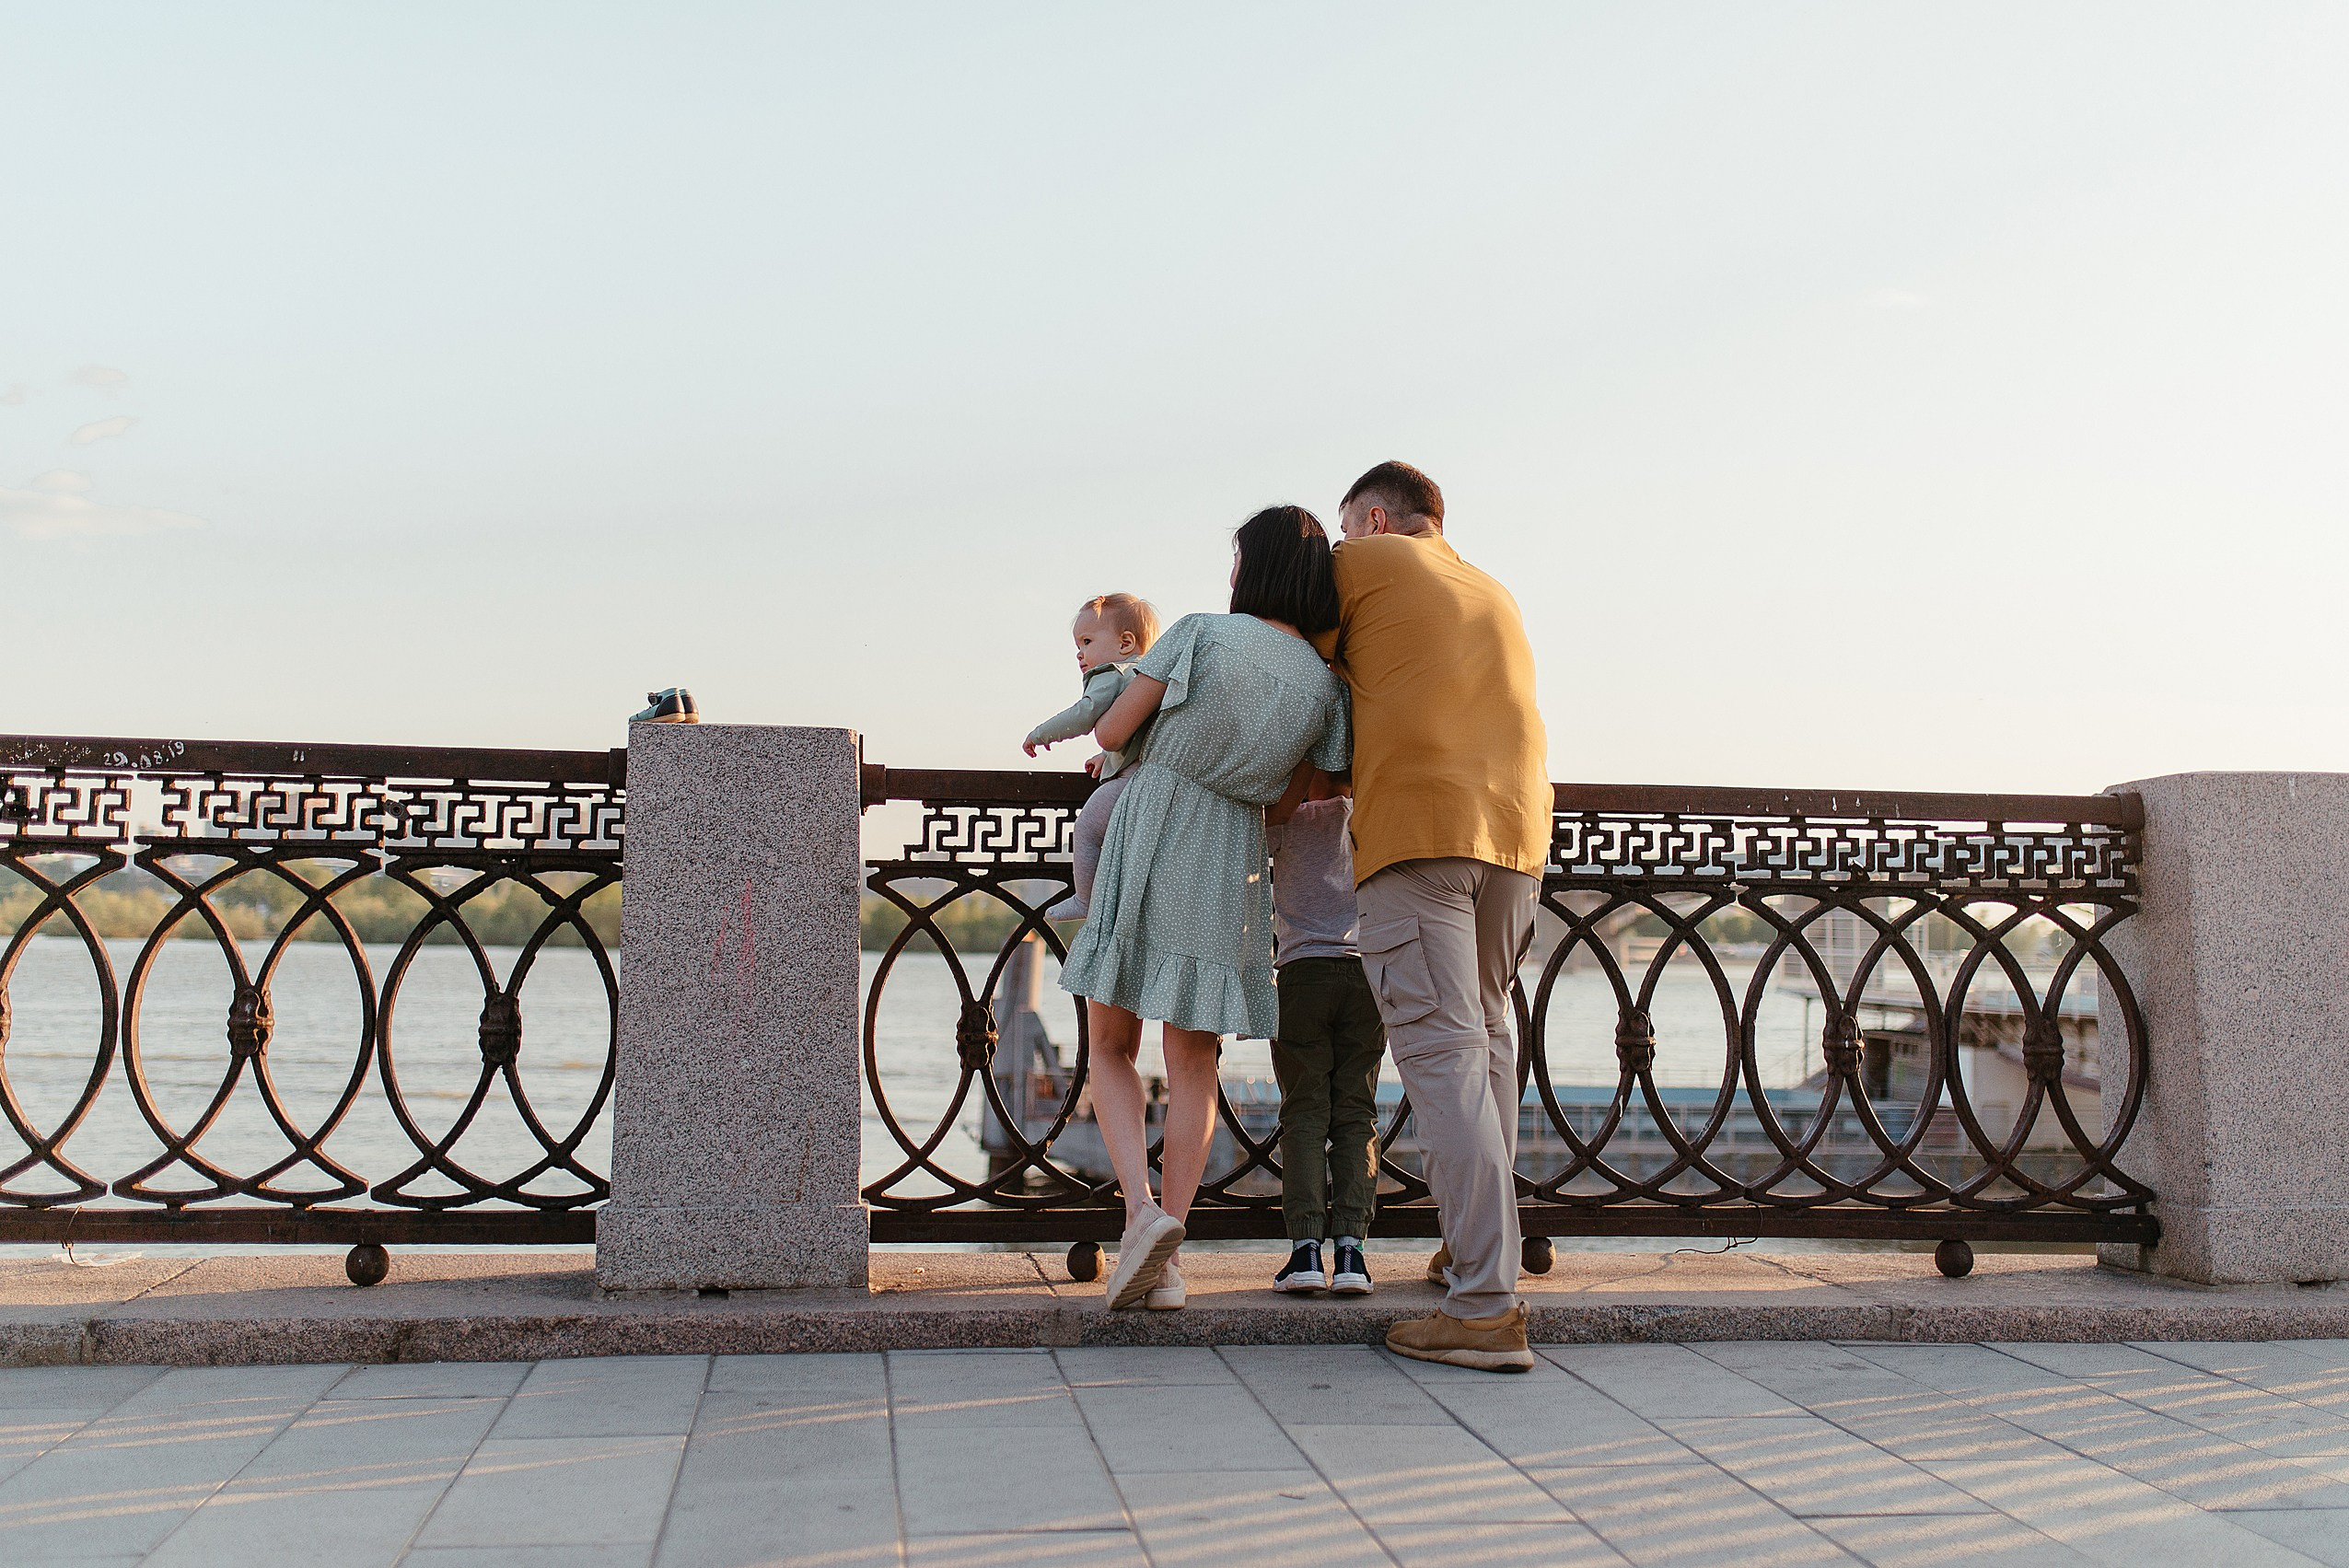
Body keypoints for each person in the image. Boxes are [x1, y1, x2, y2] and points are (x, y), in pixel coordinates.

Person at [1059, 505, 1352, 1311]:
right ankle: (1171, 1256)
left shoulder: (1197, 632)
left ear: (1249, 569)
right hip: (1230, 852)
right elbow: (1297, 800)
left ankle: (1140, 1215)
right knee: (1194, 1062)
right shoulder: (1325, 689)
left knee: (1111, 1043)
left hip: (1152, 822)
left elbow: (1116, 723)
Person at [1320, 460, 1549, 1373]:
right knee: (1484, 1039)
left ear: (1375, 518)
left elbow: (1275, 659)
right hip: (1516, 835)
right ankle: (1468, 1250)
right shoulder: (1489, 585)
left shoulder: (1364, 564)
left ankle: (1486, 1306)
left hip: (1420, 830)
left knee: (1445, 1058)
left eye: (1346, 527)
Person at [1265, 772, 1384, 1295]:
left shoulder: (1285, 819)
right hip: (1364, 974)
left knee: (1305, 1111)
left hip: (1301, 974)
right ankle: (1353, 1254)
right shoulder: (1371, 817)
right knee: (1357, 1111)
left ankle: (1305, 1250)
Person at [1023, 593, 1161, 920]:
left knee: (1086, 830)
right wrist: (1107, 755)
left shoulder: (1111, 674)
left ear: (1125, 643)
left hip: (1134, 781)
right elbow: (1137, 730)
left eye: (1086, 641)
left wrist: (1041, 733)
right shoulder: (1149, 677)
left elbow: (1086, 714)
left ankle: (1086, 900)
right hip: (1158, 780)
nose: (1079, 653)